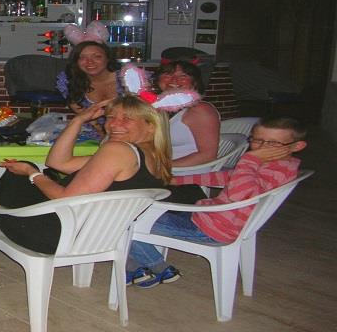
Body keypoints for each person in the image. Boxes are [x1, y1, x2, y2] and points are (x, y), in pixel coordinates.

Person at [0, 95, 171, 281]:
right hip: (92, 234)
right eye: (111, 117)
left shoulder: (118, 151)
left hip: (56, 236)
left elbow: (65, 197)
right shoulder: (150, 156)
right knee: (7, 185)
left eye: (127, 119)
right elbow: (57, 163)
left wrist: (32, 173)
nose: (114, 124)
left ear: (151, 126)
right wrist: (78, 120)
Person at [126, 116, 306, 288]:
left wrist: (249, 158)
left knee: (127, 219)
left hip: (211, 230)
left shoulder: (273, 170)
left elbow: (238, 194)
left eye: (273, 144)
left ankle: (159, 267)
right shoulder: (280, 166)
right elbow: (228, 177)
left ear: (297, 146)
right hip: (211, 218)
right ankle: (134, 268)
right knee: (142, 209)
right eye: (257, 141)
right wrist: (178, 180)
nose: (262, 148)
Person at [155, 60, 220, 167]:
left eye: (183, 76)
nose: (174, 80)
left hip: (185, 171)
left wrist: (161, 167)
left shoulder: (200, 109)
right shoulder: (157, 107)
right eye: (168, 74)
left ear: (194, 82)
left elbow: (208, 156)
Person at [59, 41, 123, 139]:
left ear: (108, 58)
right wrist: (102, 135)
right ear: (76, 61)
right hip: (94, 134)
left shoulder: (127, 78)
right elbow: (85, 116)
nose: (89, 61)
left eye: (97, 56)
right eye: (82, 57)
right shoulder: (70, 82)